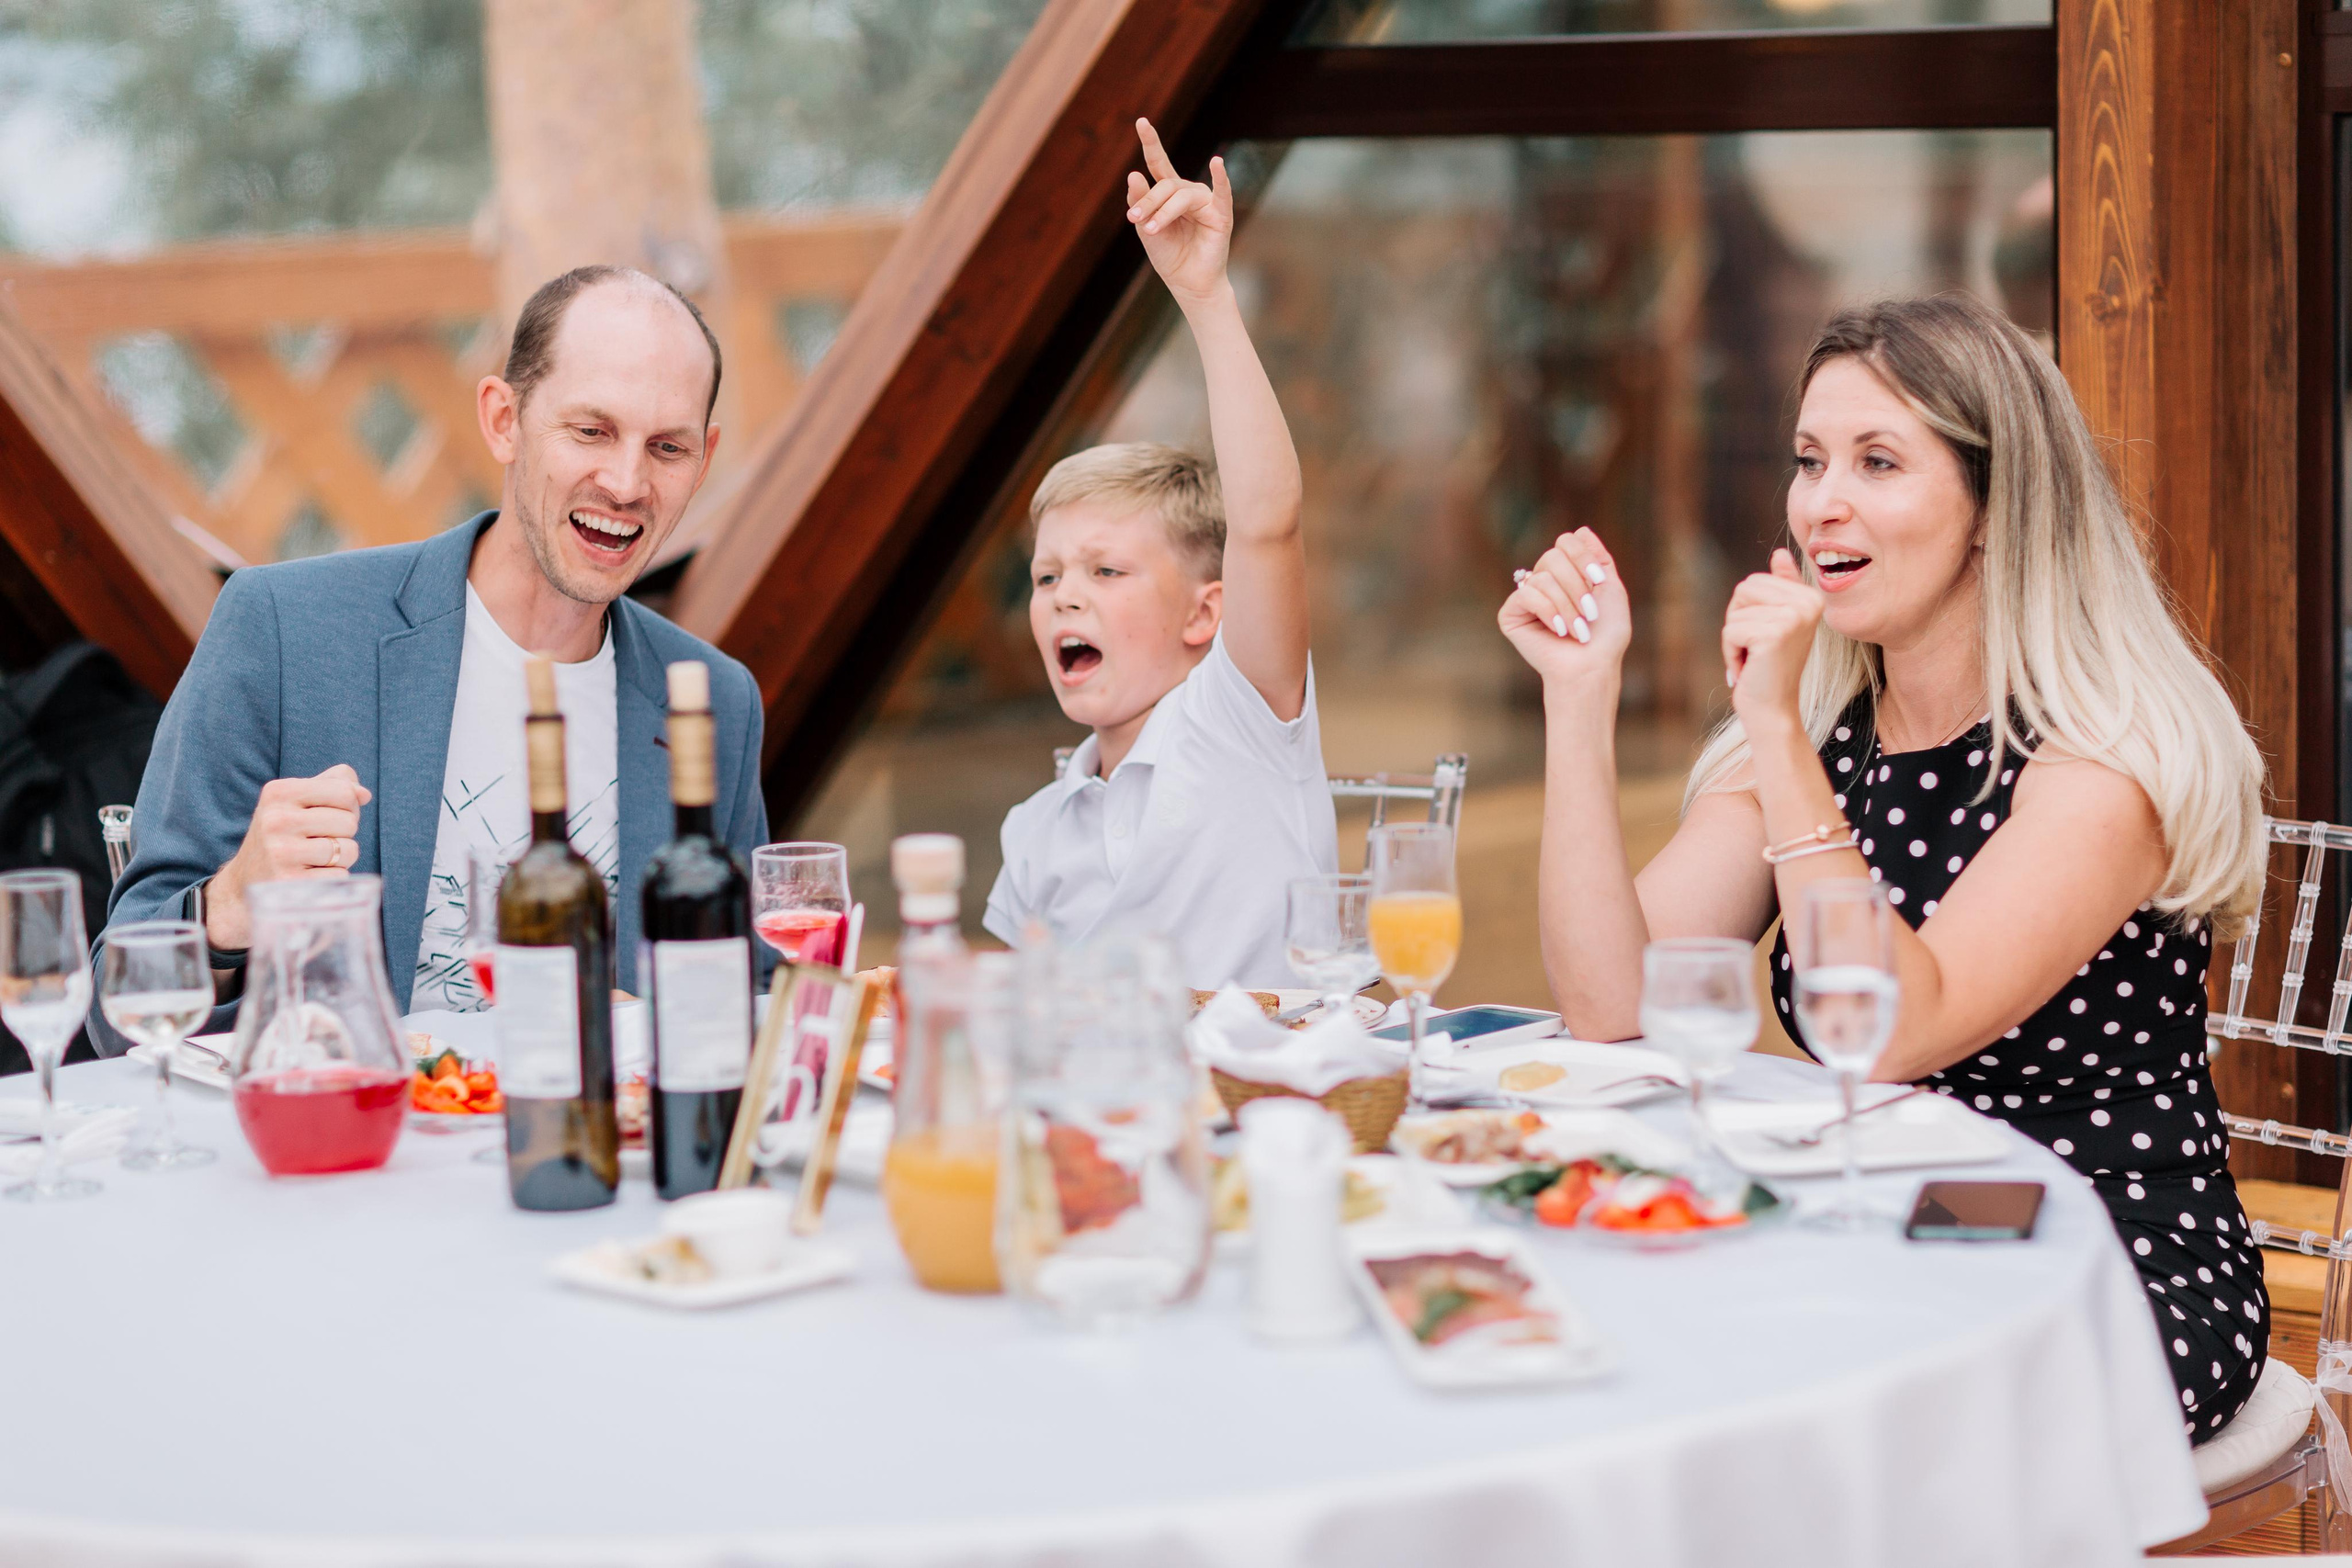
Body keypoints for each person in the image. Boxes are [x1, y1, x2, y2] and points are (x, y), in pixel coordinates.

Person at [1501, 294, 2269, 1440]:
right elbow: (1613, 1006)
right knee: (1608, 1337)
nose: (1822, 504)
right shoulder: (1820, 729)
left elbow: (1899, 1028)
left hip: (2095, 1253)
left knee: (1787, 1408)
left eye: (1876, 461)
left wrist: (1771, 735)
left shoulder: (2104, 760)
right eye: (1809, 461)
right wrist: (1579, 700)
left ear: (1991, 506)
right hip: (1880, 1220)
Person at [101, 265, 768, 1041]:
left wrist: (660, 1024)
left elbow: (754, 998)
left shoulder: (716, 700)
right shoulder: (282, 629)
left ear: (705, 458)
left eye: (667, 447)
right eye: (591, 430)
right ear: (503, 420)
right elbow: (116, 1007)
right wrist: (227, 907)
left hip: (591, 1152)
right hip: (349, 1149)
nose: (626, 482)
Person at [982, 118, 1336, 989]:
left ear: (1204, 613)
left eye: (1106, 571)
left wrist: (1206, 299)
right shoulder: (1035, 829)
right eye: (1047, 576)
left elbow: (1267, 518)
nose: (1066, 595)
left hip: (1271, 1108)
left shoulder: (1237, 719)